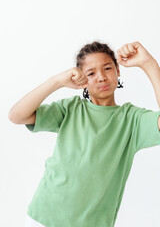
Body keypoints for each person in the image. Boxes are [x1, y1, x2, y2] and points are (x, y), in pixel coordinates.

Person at [8, 41, 160, 227]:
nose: (102, 77)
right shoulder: (70, 109)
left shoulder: (131, 120)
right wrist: (57, 81)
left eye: (107, 68)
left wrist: (149, 64)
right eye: (91, 73)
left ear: (118, 70)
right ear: (81, 80)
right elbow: (16, 115)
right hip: (43, 217)